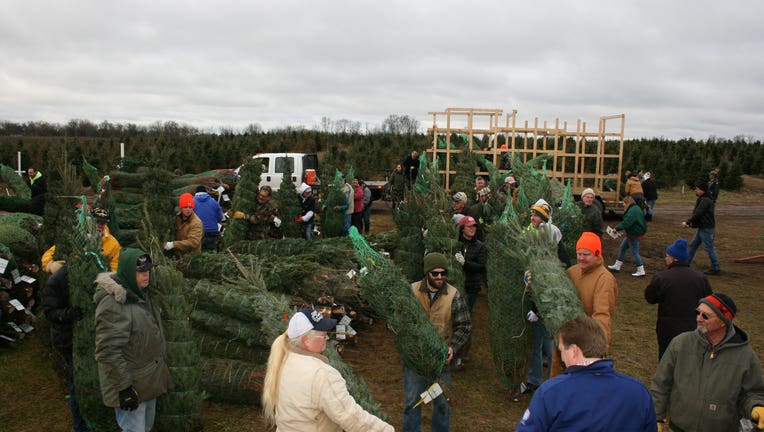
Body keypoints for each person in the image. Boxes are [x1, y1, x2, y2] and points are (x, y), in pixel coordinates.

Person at [516, 315, 657, 432]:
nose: (562, 358)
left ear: (574, 350)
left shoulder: (551, 393)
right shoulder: (638, 392)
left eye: (561, 350)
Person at [261, 309, 393, 432]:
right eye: (323, 335)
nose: (327, 338)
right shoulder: (322, 374)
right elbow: (350, 417)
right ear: (306, 341)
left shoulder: (283, 361)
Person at [651, 293, 764, 432]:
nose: (698, 318)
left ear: (723, 321)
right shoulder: (680, 344)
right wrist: (656, 417)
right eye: (698, 312)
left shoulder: (745, 356)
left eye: (706, 316)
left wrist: (756, 406)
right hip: (679, 428)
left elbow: (752, 393)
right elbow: (661, 384)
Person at [94, 249, 172, 432]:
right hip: (132, 386)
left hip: (147, 381)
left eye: (148, 271)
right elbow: (107, 351)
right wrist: (124, 389)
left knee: (146, 427)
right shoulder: (114, 305)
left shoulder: (142, 294)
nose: (146, 275)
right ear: (129, 272)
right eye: (141, 272)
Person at [405, 252, 472, 432]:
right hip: (415, 360)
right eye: (435, 273)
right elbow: (401, 320)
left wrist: (453, 348)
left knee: (442, 405)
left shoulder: (453, 295)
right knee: (412, 402)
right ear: (427, 273)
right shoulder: (411, 291)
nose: (440, 277)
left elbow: (464, 325)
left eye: (443, 273)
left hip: (442, 361)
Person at [644, 239, 713, 358]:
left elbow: (650, 298)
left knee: (667, 358)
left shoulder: (662, 278)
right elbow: (709, 301)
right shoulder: (700, 278)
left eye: (667, 256)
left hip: (668, 328)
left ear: (673, 258)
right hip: (693, 327)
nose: (666, 259)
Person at [42, 264, 90, 432]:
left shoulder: (90, 271)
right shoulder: (57, 280)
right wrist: (68, 314)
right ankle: (80, 426)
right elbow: (50, 312)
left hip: (87, 338)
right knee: (77, 382)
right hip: (67, 339)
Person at [567, 232, 618, 352]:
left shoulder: (604, 279)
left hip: (586, 343)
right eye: (579, 254)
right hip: (568, 338)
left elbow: (602, 315)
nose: (581, 258)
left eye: (586, 254)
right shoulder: (572, 272)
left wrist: (598, 348)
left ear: (597, 254)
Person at [41, 207, 121, 273]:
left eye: (102, 223)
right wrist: (51, 265)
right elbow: (49, 253)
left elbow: (115, 268)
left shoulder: (113, 243)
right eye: (96, 222)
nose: (99, 225)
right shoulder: (75, 236)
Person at [682, 182, 720, 275]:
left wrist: (688, 222)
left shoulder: (705, 200)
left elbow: (698, 213)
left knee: (709, 248)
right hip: (703, 227)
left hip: (706, 228)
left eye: (697, 189)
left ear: (702, 190)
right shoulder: (704, 199)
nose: (696, 190)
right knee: (693, 245)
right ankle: (686, 263)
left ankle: (716, 267)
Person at [607, 195, 648, 277]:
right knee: (623, 247)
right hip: (633, 232)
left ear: (627, 203)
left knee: (635, 252)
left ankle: (641, 270)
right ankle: (617, 265)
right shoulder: (635, 208)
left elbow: (627, 222)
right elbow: (630, 222)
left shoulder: (632, 211)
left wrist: (617, 229)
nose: (623, 205)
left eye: (624, 203)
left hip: (634, 234)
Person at [455, 216, 486, 312]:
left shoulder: (480, 246)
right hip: (456, 284)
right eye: (469, 226)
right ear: (462, 228)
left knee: (467, 312)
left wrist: (465, 263)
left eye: (474, 226)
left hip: (472, 286)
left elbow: (481, 266)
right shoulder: (456, 244)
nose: (472, 229)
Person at [193, 185, 224, 251]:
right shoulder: (214, 202)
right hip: (213, 232)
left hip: (198, 233)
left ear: (195, 192)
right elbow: (220, 218)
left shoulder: (192, 202)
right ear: (206, 192)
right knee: (212, 254)